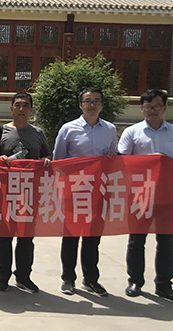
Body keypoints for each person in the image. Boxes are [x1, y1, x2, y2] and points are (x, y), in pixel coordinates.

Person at [118, 89, 173, 303]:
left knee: (167, 242)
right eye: (148, 107)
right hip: (139, 195)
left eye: (157, 106)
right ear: (142, 109)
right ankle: (135, 281)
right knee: (136, 240)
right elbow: (123, 162)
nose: (153, 110)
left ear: (164, 108)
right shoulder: (132, 132)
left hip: (169, 195)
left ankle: (164, 285)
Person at [53, 87, 117, 297]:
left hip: (99, 192)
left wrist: (112, 156)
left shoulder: (110, 129)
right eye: (88, 101)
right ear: (81, 105)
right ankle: (68, 279)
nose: (92, 105)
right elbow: (58, 160)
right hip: (74, 191)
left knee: (93, 239)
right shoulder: (68, 129)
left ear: (102, 105)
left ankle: (91, 279)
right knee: (70, 237)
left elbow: (114, 158)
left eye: (96, 101)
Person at [0, 92, 51, 293]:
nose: (22, 109)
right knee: (4, 235)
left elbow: (47, 155)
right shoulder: (0, 131)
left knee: (26, 237)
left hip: (29, 193)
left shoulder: (38, 133)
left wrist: (46, 160)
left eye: (26, 105)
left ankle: (23, 276)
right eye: (18, 105)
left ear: (31, 110)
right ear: (11, 108)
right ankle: (3, 275)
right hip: (5, 192)